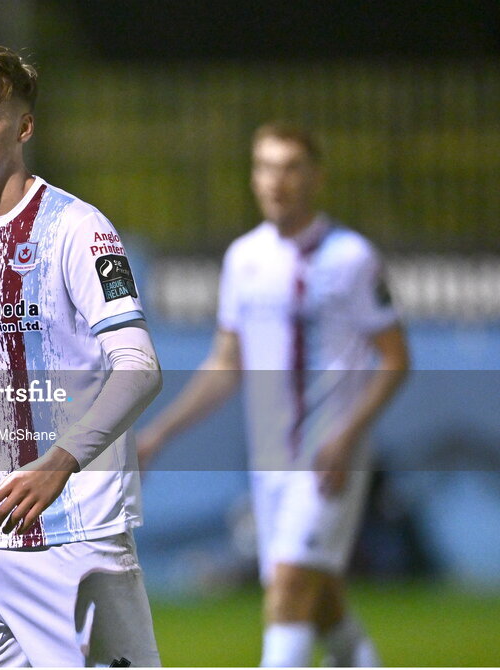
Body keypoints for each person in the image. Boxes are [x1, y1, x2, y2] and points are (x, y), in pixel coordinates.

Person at [0, 45, 163, 667]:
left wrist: (58, 464)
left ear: (23, 127)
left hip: (74, 541)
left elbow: (139, 366)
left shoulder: (79, 229)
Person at [137, 123, 409, 667]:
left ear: (316, 176)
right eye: (264, 166)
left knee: (286, 590)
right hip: (270, 459)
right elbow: (226, 363)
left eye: (290, 167)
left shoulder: (351, 257)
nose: (275, 180)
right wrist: (157, 433)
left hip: (332, 458)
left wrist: (349, 435)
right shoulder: (244, 258)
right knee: (321, 598)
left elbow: (396, 359)